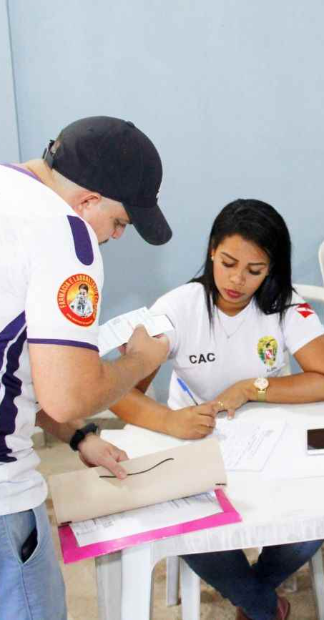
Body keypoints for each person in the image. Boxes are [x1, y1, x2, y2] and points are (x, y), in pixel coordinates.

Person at [111, 198, 324, 620]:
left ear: (272, 270)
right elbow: (117, 393)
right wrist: (169, 419)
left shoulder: (286, 305)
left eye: (255, 271)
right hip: (197, 443)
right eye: (228, 263)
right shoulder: (179, 307)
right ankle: (264, 605)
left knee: (321, 517)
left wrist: (250, 388)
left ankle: (251, 596)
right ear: (211, 252)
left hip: (272, 443)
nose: (237, 280)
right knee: (184, 528)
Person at [0, 116, 172, 620]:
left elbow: (20, 367)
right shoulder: (64, 232)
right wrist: (139, 360)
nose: (115, 237)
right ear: (89, 200)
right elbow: (68, 393)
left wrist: (78, 437)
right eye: (120, 222)